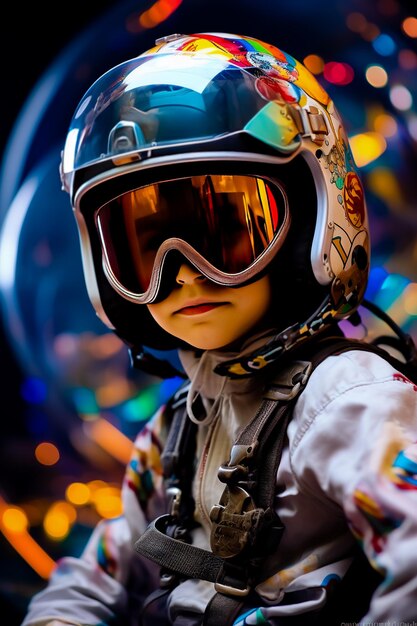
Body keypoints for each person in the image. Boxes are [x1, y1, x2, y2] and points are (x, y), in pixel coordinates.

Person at [22, 32, 417, 626]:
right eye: (143, 247)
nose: (180, 275)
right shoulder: (177, 425)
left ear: (311, 221)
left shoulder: (348, 402)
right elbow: (95, 577)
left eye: (223, 231)